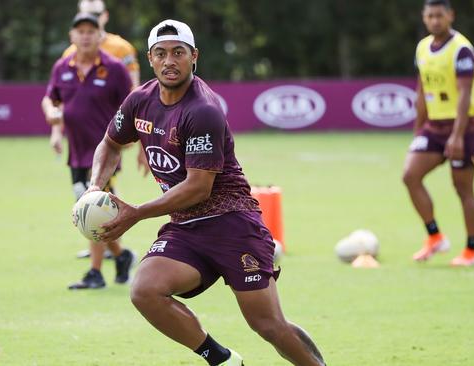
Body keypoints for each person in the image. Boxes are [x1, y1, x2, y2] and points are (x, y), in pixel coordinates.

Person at [87, 19, 326, 366]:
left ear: (194, 56)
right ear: (150, 59)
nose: (170, 61)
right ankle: (223, 360)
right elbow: (109, 144)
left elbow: (199, 187)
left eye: (178, 53)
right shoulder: (140, 100)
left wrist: (136, 213)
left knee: (268, 325)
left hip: (233, 225)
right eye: (161, 53)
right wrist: (96, 185)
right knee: (145, 290)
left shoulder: (203, 110)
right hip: (186, 227)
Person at [41, 13, 135, 290]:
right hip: (76, 152)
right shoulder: (62, 67)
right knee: (90, 210)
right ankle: (121, 255)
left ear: (99, 35)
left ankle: (95, 272)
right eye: (79, 31)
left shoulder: (115, 68)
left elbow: (132, 105)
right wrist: (54, 125)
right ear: (72, 36)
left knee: (93, 208)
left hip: (106, 154)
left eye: (90, 31)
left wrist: (138, 143)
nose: (85, 35)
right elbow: (51, 99)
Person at [403, 0, 474, 266]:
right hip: (434, 127)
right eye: (430, 16)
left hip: (464, 126)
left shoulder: (461, 50)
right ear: (424, 18)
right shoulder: (422, 47)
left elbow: (463, 95)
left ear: (451, 16)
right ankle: (435, 236)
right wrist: (418, 129)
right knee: (410, 176)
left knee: (463, 189)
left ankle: (471, 251)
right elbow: (421, 90)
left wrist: (458, 136)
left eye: (440, 15)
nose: (435, 20)